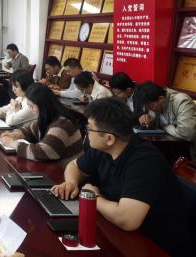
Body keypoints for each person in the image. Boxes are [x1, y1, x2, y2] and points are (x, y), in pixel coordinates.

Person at [51, 98, 192, 257]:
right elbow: (74, 166)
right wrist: (71, 182)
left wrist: (93, 197)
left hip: (155, 244)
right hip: (118, 232)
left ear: (109, 138)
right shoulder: (105, 148)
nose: (86, 133)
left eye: (89, 129)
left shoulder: (145, 162)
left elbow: (128, 220)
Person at [0, 83, 84, 164]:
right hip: (54, 167)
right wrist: (14, 135)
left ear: (43, 105)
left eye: (32, 106)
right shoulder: (49, 117)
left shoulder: (62, 124)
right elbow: (30, 130)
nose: (31, 110)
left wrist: (13, 144)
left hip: (64, 171)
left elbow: (44, 151)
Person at [135, 81, 196, 157]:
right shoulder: (154, 102)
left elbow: (187, 134)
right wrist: (147, 118)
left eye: (151, 107)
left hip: (190, 152)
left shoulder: (181, 101)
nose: (150, 110)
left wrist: (166, 127)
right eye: (147, 107)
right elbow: (152, 116)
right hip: (171, 148)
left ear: (161, 98)